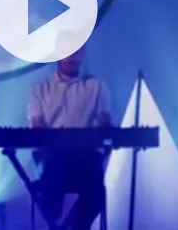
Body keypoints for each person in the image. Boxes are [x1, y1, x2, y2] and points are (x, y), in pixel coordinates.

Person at [28, 39, 112, 230]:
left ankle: (75, 226)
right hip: (52, 157)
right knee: (55, 168)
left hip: (85, 158)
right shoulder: (40, 88)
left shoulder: (96, 85)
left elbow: (104, 120)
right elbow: (37, 125)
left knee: (95, 191)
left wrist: (108, 128)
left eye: (77, 51)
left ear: (82, 53)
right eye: (67, 51)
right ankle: (56, 220)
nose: (72, 56)